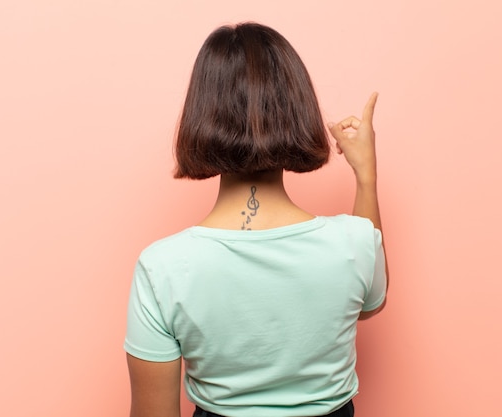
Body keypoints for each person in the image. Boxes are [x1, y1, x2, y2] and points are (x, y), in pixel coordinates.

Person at [124, 22, 388, 417]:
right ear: (296, 109)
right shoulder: (354, 243)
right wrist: (366, 176)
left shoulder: (162, 267)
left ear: (201, 117)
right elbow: (367, 303)